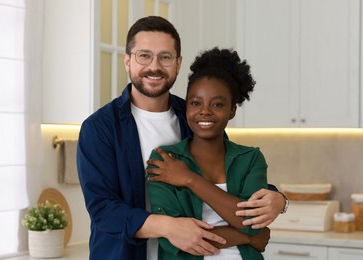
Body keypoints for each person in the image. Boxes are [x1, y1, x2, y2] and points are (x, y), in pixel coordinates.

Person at [77, 16, 287, 260]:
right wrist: (170, 227)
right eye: (144, 55)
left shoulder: (195, 117)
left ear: (178, 63)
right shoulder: (100, 128)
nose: (154, 66)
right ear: (127, 61)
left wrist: (278, 198)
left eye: (165, 57)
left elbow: (229, 175)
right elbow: (103, 211)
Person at [146, 47, 270, 260]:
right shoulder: (165, 160)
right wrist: (248, 237)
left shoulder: (250, 159)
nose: (205, 111)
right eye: (195, 103)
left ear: (232, 110)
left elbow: (250, 221)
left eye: (217, 104)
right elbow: (174, 238)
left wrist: (189, 179)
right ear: (187, 108)